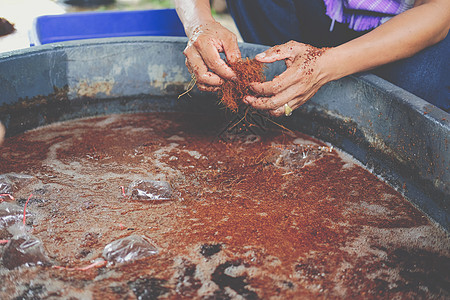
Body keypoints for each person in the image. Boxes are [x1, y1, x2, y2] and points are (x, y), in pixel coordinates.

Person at [174, 0, 450, 116]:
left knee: (415, 95)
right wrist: (198, 22)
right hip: (321, 11)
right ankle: (288, 94)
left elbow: (438, 10)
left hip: (405, 26)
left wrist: (325, 65)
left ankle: (309, 81)